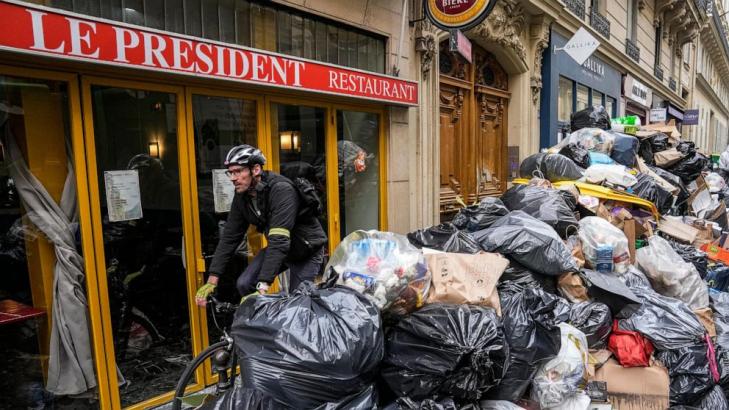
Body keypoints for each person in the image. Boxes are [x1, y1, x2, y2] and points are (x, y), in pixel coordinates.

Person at [195, 145, 328, 305]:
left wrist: (263, 286)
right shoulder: (242, 196)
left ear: (256, 169)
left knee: (297, 303)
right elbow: (230, 238)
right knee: (244, 284)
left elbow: (279, 240)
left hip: (306, 250)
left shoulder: (281, 190)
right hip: (280, 249)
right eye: (230, 172)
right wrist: (212, 279)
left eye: (238, 171)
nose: (232, 178)